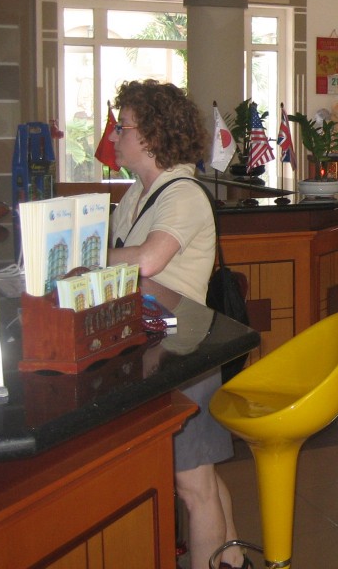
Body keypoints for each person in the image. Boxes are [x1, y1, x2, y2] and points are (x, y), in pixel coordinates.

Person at [107, 80, 249, 569]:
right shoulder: (139, 193)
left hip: (186, 358)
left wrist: (88, 262)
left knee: (192, 485)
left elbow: (146, 261)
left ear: (149, 137)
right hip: (161, 352)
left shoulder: (182, 195)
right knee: (200, 477)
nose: (114, 137)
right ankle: (231, 563)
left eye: (122, 127)